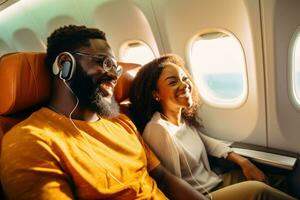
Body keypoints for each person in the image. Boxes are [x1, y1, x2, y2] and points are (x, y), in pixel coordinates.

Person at [0, 25, 209, 200]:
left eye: (116, 67)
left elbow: (162, 177)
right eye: (103, 62)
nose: (113, 75)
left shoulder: (121, 123)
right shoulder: (31, 142)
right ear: (65, 64)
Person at [129, 54, 296, 200]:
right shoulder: (158, 129)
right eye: (173, 82)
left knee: (274, 181)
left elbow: (207, 142)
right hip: (202, 194)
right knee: (260, 191)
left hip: (215, 181)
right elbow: (172, 184)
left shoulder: (181, 121)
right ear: (156, 94)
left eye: (184, 78)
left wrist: (243, 161)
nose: (184, 84)